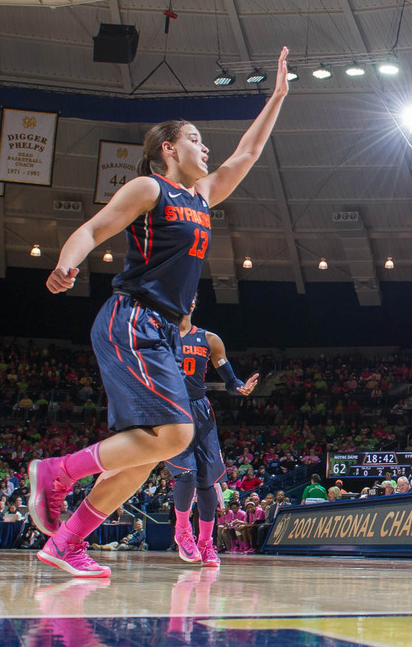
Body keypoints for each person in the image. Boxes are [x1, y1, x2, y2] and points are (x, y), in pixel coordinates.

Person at [27, 48, 289, 578]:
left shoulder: (204, 196)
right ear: (167, 149)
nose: (205, 145)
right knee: (176, 434)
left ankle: (66, 543)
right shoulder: (152, 188)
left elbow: (249, 152)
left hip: (164, 331)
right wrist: (67, 265)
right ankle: (55, 472)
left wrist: (278, 96)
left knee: (146, 454)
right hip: (134, 318)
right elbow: (93, 230)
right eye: (194, 138)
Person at [169, 298, 258, 569]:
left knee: (207, 483)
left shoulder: (209, 339)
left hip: (201, 412)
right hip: (171, 411)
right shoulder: (160, 335)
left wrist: (240, 387)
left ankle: (206, 544)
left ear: (193, 302)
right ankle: (183, 531)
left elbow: (230, 381)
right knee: (186, 475)